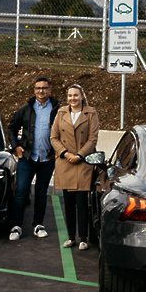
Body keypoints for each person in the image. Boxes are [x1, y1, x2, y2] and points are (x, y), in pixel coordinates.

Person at [6, 77, 60, 241]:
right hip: (27, 158)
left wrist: (58, 151)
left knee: (41, 194)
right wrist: (16, 146)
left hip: (47, 158)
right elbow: (11, 128)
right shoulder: (26, 109)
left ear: (50, 90)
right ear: (34, 90)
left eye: (44, 88)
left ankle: (38, 224)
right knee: (21, 192)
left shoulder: (57, 110)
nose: (41, 91)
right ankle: (16, 226)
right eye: (38, 88)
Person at [49, 84, 99, 251]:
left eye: (76, 95)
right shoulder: (61, 112)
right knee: (68, 203)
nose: (72, 98)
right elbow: (53, 137)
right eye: (70, 95)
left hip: (83, 162)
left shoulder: (91, 112)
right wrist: (65, 154)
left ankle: (83, 238)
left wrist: (79, 155)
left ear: (82, 96)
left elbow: (92, 139)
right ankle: (71, 237)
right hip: (65, 162)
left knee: (82, 202)